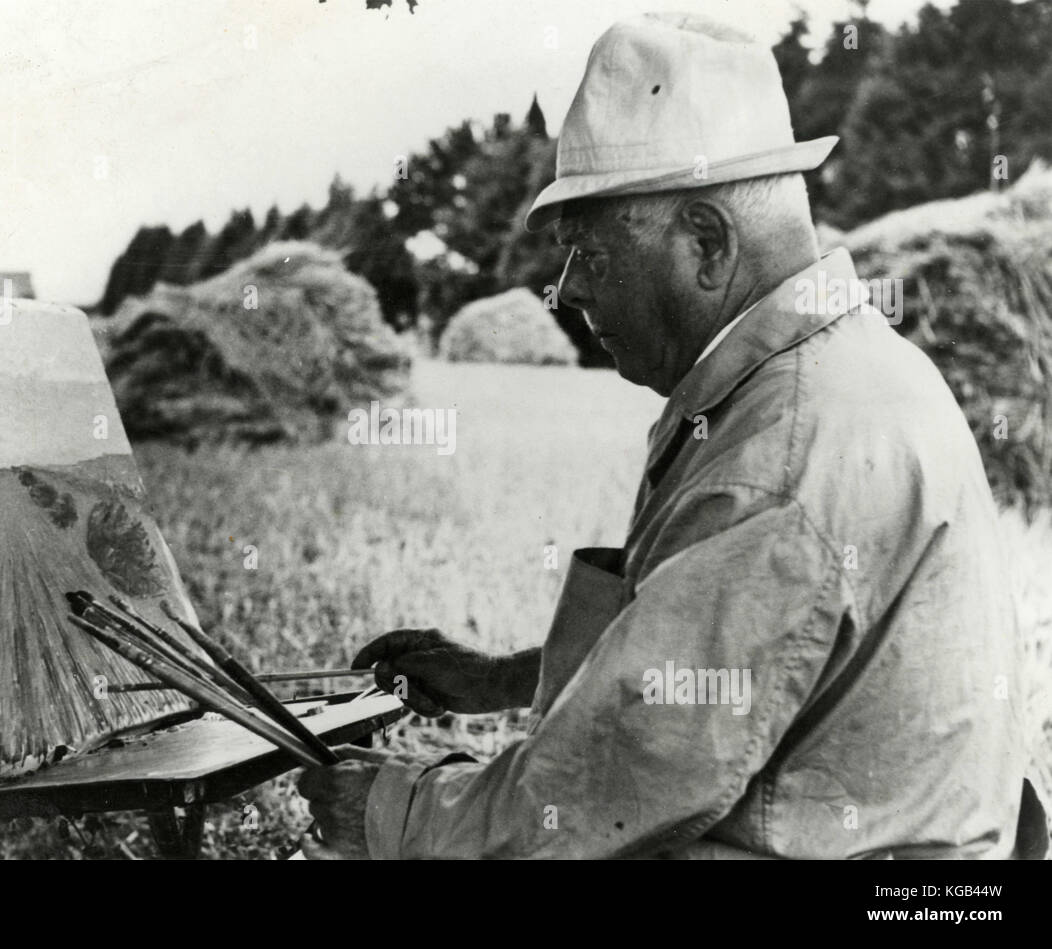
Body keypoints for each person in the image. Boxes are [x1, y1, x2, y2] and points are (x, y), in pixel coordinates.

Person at [297, 14, 1048, 859]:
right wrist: (504, 679)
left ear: (706, 242)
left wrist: (390, 810)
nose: (568, 289)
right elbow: (724, 665)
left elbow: (618, 781)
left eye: (589, 252)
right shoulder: (839, 374)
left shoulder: (784, 453)